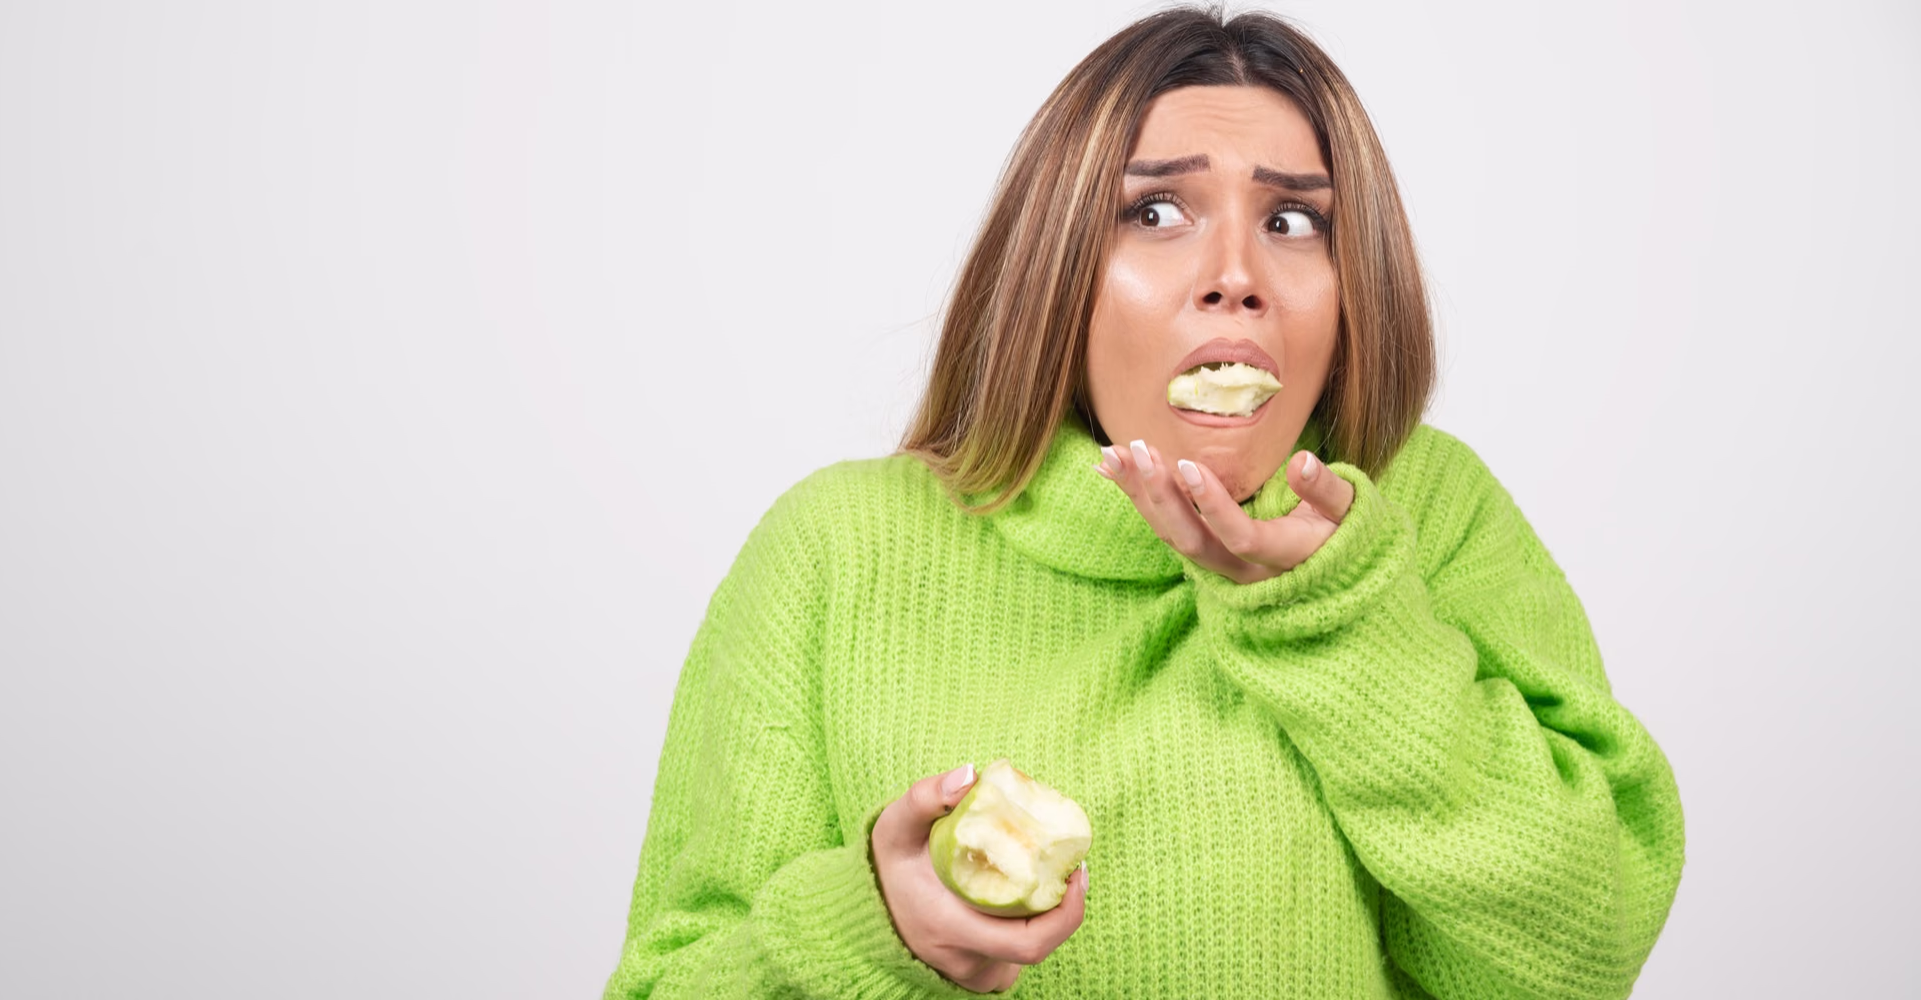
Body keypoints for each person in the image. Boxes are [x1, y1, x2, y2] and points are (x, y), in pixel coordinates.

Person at [603, 6, 1685, 997]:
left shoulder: (1424, 512)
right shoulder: (836, 551)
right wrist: (877, 929)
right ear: (1056, 266)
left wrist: (1334, 619)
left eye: (1294, 223)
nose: (1233, 275)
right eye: (1155, 210)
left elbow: (1576, 955)